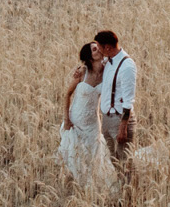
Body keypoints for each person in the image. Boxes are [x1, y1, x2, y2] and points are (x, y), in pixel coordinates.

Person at [57, 42, 118, 191]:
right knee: (74, 155)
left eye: (98, 47)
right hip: (75, 121)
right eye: (94, 49)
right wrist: (66, 119)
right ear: (89, 57)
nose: (98, 49)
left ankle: (92, 189)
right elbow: (67, 94)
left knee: (93, 157)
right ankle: (75, 187)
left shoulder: (108, 71)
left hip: (93, 124)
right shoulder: (82, 72)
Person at [93, 29, 136, 163]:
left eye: (99, 47)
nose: (98, 50)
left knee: (125, 162)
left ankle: (129, 184)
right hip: (107, 119)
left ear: (107, 47)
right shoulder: (108, 61)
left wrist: (123, 127)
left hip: (119, 120)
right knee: (113, 162)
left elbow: (128, 100)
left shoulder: (127, 66)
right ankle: (120, 184)